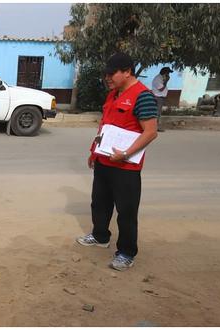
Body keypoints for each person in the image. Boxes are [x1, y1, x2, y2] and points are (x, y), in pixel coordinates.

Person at [77, 52, 158, 271]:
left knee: (127, 211)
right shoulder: (112, 95)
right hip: (104, 161)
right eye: (106, 74)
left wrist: (126, 153)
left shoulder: (143, 96)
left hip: (126, 167)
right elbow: (105, 125)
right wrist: (94, 151)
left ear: (127, 72)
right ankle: (100, 236)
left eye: (112, 74)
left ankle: (126, 252)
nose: (107, 78)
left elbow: (150, 132)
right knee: (100, 203)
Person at [151, 67, 173, 132]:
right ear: (164, 73)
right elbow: (161, 89)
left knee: (158, 113)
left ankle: (155, 127)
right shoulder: (158, 79)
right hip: (158, 97)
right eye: (168, 73)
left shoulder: (161, 78)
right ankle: (155, 128)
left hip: (160, 97)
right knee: (157, 113)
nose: (168, 74)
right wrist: (166, 81)